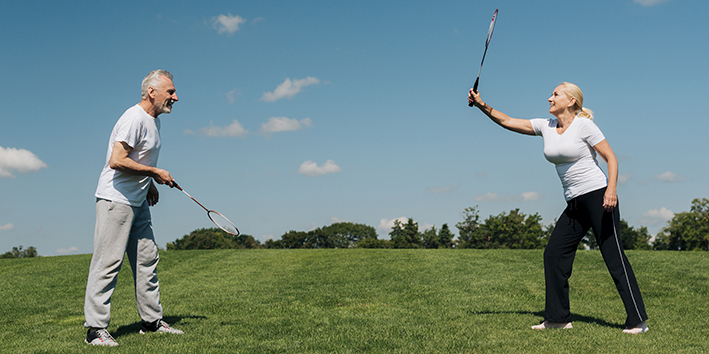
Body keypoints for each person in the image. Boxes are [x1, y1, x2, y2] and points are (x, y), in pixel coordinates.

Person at [468, 82, 648, 334]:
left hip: (598, 197)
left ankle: (638, 320)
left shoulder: (584, 125)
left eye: (555, 94)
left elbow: (611, 158)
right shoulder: (546, 126)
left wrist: (611, 190)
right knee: (554, 254)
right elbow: (508, 121)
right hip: (574, 202)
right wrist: (481, 105)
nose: (549, 98)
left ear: (571, 101)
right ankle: (558, 318)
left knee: (613, 257)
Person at [84, 70, 184, 347]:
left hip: (137, 201)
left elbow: (135, 158)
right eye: (170, 92)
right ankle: (95, 329)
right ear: (152, 91)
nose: (175, 97)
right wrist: (154, 172)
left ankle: (151, 322)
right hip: (116, 201)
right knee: (108, 262)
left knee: (147, 260)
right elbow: (117, 160)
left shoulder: (153, 122)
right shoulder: (133, 118)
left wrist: (148, 183)